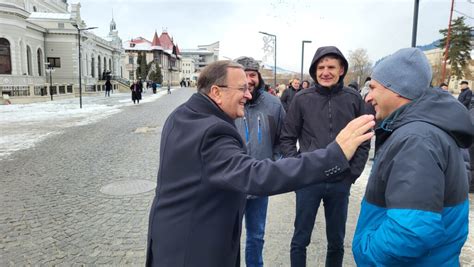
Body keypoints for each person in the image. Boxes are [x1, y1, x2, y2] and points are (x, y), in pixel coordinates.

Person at [146, 60, 375, 267]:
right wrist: (333, 155)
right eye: (242, 88)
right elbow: (256, 175)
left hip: (170, 239)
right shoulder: (213, 131)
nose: (248, 94)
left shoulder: (182, 114)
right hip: (195, 251)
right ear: (216, 92)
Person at [352, 47, 474, 266]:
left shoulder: (416, 139)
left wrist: (366, 250)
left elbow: (411, 231)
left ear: (397, 89)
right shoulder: (425, 130)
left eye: (373, 87)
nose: (368, 97)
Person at [280, 46, 369, 267]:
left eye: (331, 67)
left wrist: (352, 173)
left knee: (336, 241)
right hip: (308, 180)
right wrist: (297, 169)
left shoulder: (354, 98)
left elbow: (365, 138)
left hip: (341, 180)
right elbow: (287, 137)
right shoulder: (301, 99)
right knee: (300, 239)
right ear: (314, 71)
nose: (325, 72)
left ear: (341, 70)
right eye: (320, 67)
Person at [233, 57, 285, 267]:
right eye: (243, 75)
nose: (248, 79)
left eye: (252, 74)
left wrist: (272, 165)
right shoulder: (228, 102)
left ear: (259, 77)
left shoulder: (273, 104)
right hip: (232, 184)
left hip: (259, 182)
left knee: (256, 236)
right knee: (228, 236)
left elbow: (283, 138)